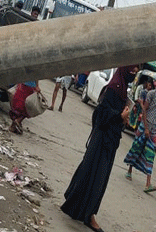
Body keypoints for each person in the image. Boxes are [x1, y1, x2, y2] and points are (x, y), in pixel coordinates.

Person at [61, 64, 137, 232]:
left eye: (137, 68)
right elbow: (100, 114)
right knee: (97, 177)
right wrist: (120, 116)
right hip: (102, 140)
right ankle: (89, 215)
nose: (135, 71)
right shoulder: (113, 88)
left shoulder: (121, 89)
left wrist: (123, 118)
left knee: (91, 173)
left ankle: (75, 206)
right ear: (125, 69)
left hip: (108, 140)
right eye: (133, 68)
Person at [124, 74, 156, 193]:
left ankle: (148, 183)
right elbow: (144, 109)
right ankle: (129, 170)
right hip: (145, 126)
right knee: (136, 147)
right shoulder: (151, 94)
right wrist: (146, 128)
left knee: (150, 155)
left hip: (155, 129)